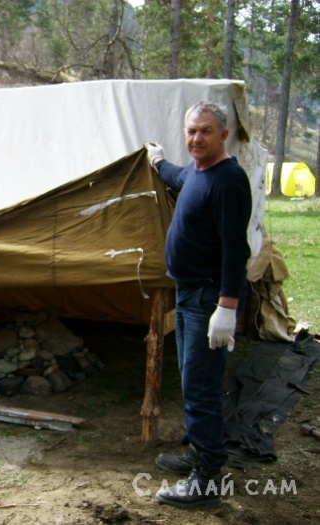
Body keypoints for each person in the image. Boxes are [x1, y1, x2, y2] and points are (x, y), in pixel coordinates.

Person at [145, 101, 252, 508]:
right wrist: (157, 161)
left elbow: (235, 251)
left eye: (205, 131)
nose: (196, 139)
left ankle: (207, 475)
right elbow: (177, 176)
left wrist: (228, 307)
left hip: (209, 297)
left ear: (223, 135)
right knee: (192, 379)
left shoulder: (229, 181)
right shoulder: (196, 171)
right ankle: (196, 451)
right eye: (191, 131)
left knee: (201, 386)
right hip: (188, 292)